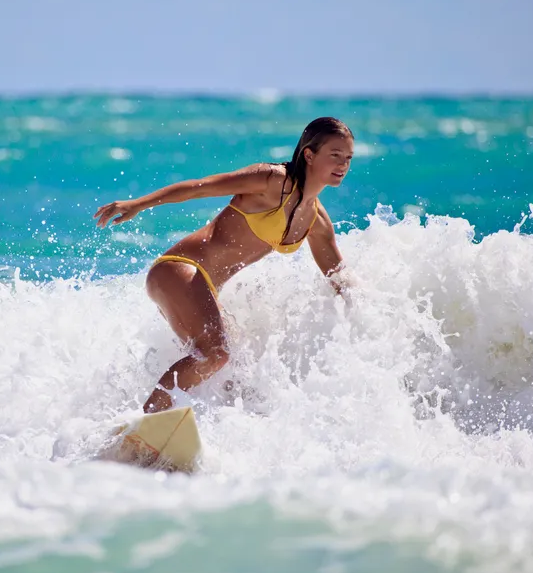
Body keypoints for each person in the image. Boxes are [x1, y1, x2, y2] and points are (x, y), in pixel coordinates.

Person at [94, 116, 357, 413]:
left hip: (202, 288)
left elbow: (340, 279)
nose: (343, 164)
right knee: (215, 354)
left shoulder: (317, 221)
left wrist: (371, 319)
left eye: (348, 157)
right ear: (309, 154)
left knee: (237, 379)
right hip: (178, 269)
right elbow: (198, 188)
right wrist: (137, 204)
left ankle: (161, 434)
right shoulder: (273, 181)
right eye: (334, 155)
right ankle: (146, 423)